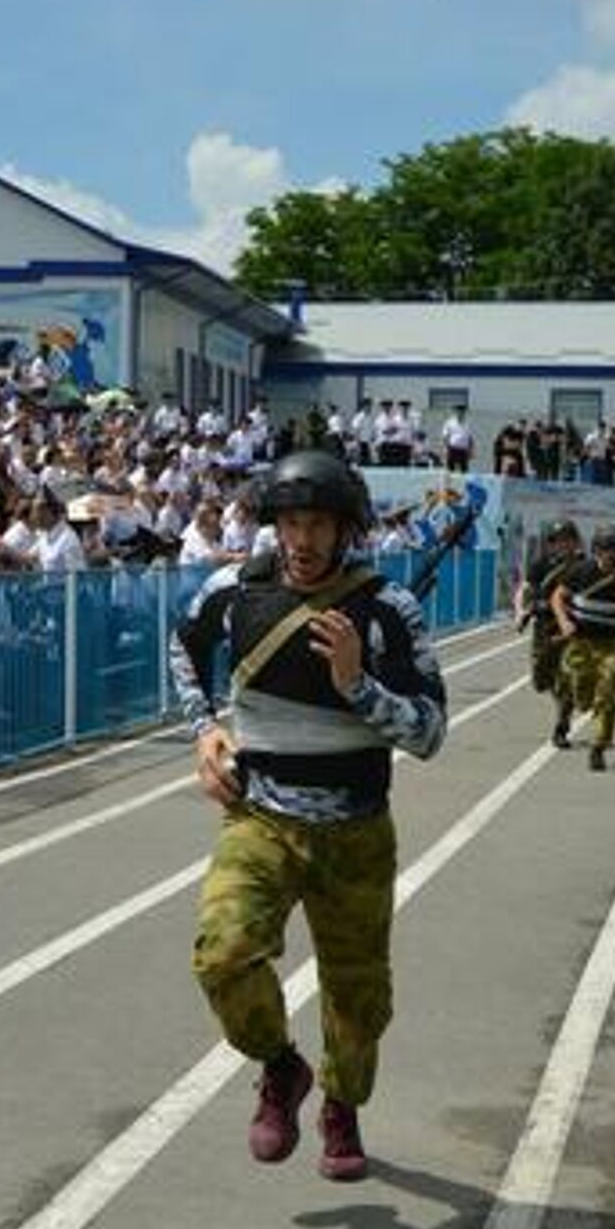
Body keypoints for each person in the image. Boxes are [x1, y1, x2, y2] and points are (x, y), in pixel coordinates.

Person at [170, 450, 448, 1180]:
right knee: (223, 953)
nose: (303, 539)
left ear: (346, 529)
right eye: (291, 522)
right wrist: (203, 728)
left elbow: (428, 734)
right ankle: (279, 1067)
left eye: (319, 523)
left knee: (358, 995)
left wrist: (358, 684)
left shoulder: (389, 609)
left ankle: (340, 1105)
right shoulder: (233, 590)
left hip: (356, 830)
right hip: (259, 818)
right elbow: (184, 646)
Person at [549, 523, 615, 771]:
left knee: (607, 694)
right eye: (612, 551)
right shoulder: (581, 571)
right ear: (598, 550)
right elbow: (557, 597)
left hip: (610, 645)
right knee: (580, 693)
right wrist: (564, 622)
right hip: (580, 643)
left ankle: (599, 746)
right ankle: (567, 718)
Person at [515, 518, 581, 744]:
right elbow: (525, 589)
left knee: (568, 677)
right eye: (557, 541)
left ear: (575, 541)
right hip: (543, 627)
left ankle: (562, 724)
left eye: (567, 540)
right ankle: (562, 700)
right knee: (541, 680)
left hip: (571, 628)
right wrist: (521, 611)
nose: (562, 545)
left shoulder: (585, 567)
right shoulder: (541, 565)